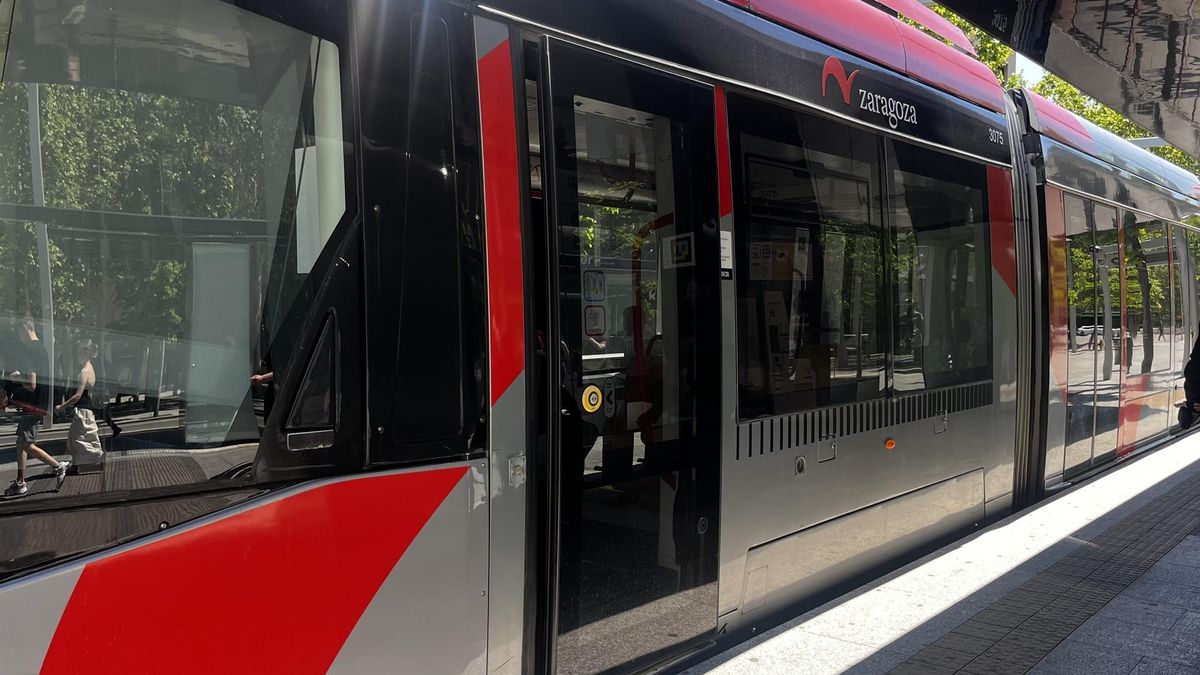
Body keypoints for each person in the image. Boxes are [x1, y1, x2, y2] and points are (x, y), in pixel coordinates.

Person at [4, 319, 68, 497]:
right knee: (20, 442)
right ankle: (20, 482)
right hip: (36, 403)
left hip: (31, 404)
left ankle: (58, 466)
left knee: (27, 443)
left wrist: (16, 377)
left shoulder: (29, 349)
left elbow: (31, 384)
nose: (18, 337)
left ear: (25, 328)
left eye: (18, 332)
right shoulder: (42, 349)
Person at [56, 339, 104, 469]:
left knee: (76, 439)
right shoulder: (91, 368)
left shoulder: (84, 371)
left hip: (83, 410)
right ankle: (77, 464)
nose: (77, 356)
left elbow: (78, 395)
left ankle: (97, 456)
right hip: (87, 409)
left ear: (85, 353)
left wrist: (62, 406)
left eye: (78, 353)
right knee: (84, 438)